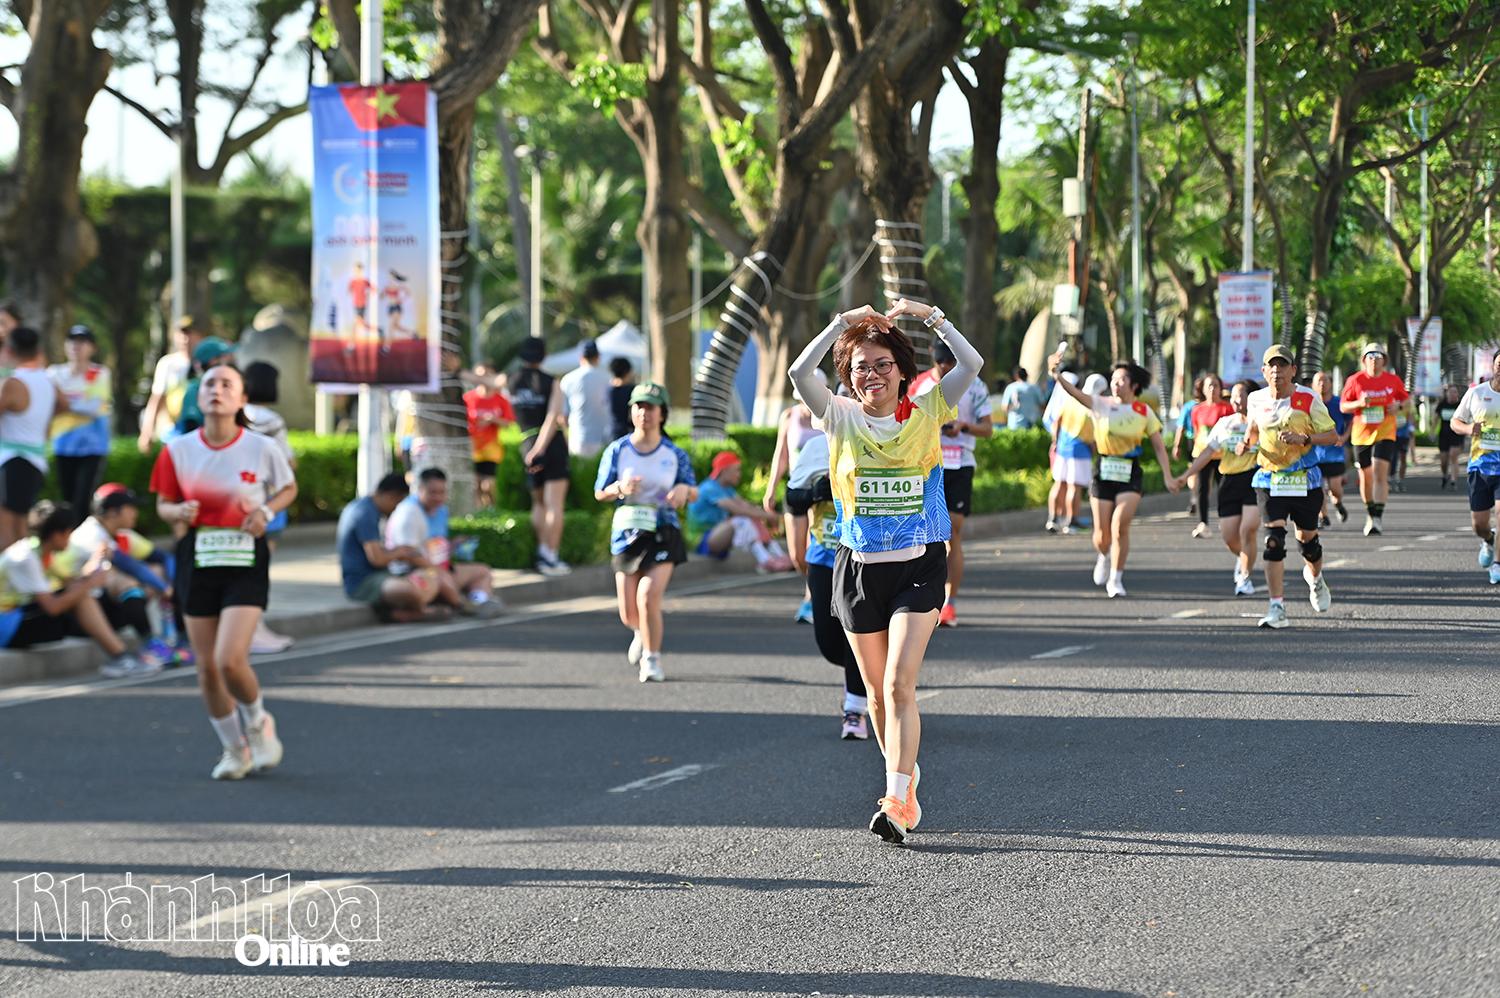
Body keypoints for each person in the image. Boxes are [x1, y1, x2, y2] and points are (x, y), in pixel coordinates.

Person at [790, 297, 982, 845]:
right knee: (876, 695)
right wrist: (841, 325)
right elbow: (798, 372)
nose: (871, 375)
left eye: (882, 365)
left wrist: (934, 318)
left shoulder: (929, 411)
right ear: (849, 380)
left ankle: (896, 799)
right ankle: (905, 773)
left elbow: (972, 365)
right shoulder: (837, 416)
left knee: (900, 683)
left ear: (901, 370)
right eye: (859, 368)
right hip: (856, 570)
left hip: (920, 564)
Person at [150, 361, 298, 779]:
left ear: (242, 398)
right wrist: (177, 509)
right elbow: (163, 504)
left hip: (244, 557)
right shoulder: (178, 450)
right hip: (197, 556)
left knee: (230, 660)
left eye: (227, 384)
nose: (217, 389)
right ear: (199, 396)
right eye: (209, 383)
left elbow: (288, 488)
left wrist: (265, 510)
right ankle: (235, 750)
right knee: (206, 669)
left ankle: (258, 722)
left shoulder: (260, 448)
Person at [1046, 349, 1180, 598]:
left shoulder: (1143, 412)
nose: (1115, 384)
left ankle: (1116, 578)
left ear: (1133, 385)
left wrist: (1167, 476)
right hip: (1104, 471)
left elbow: (1159, 446)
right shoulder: (1100, 404)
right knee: (1101, 535)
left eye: (1121, 380)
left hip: (1130, 472)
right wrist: (1056, 374)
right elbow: (1074, 393)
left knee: (1120, 526)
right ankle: (1103, 555)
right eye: (1114, 379)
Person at [594, 382, 698, 682]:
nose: (644, 413)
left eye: (650, 407)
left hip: (663, 529)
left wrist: (682, 489)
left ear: (662, 413)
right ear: (631, 411)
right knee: (629, 614)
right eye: (639, 406)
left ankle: (652, 659)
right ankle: (641, 631)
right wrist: (619, 488)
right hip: (627, 531)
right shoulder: (618, 450)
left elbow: (694, 491)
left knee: (648, 595)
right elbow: (600, 492)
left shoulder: (674, 454)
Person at [1239, 345, 1337, 629]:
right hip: (1271, 479)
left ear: (1293, 370)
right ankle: (1276, 606)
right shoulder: (1256, 399)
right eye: (1272, 366)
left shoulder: (1308, 398)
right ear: (1263, 371)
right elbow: (1253, 430)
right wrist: (1246, 442)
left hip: (1304, 479)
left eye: (1283, 366)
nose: (1276, 371)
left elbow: (1332, 436)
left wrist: (1304, 439)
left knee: (1308, 543)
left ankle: (1316, 579)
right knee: (1273, 540)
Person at [1, 501, 153, 677]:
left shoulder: (38, 549)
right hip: (6, 627)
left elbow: (71, 582)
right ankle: (121, 657)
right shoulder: (25, 558)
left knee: (82, 595)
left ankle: (122, 654)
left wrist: (94, 565)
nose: (71, 538)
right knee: (81, 598)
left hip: (15, 619)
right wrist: (90, 583)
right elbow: (53, 607)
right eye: (69, 533)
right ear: (58, 535)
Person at [794, 430, 872, 739]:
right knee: (829, 642)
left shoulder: (875, 439)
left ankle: (854, 709)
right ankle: (868, 670)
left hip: (864, 555)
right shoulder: (815, 447)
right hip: (824, 554)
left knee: (855, 630)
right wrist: (816, 492)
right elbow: (793, 498)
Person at [913, 342, 992, 626]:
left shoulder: (974, 384)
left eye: (950, 367)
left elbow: (988, 428)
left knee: (951, 535)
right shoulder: (919, 385)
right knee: (924, 535)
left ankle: (949, 602)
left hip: (959, 465)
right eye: (940, 367)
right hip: (925, 467)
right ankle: (923, 599)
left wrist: (963, 427)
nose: (945, 372)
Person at [1170, 379, 1261, 596]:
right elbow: (1207, 452)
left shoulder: (1263, 423)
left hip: (1254, 479)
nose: (1238, 400)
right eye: (1236, 395)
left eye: (1243, 395)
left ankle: (1245, 577)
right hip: (1229, 481)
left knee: (1247, 530)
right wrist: (1185, 476)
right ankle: (1243, 558)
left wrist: (1252, 445)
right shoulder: (1225, 423)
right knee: (1230, 537)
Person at [385, 467, 502, 617]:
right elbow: (409, 554)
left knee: (482, 571)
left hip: (440, 566)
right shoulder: (408, 513)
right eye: (433, 492)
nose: (438, 497)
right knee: (439, 575)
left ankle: (480, 600)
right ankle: (464, 605)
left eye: (442, 492)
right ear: (420, 489)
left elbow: (435, 543)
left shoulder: (441, 510)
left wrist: (453, 545)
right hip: (412, 572)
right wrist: (437, 569)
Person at [338, 472, 444, 622]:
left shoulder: (364, 507)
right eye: (397, 503)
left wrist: (396, 552)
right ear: (391, 496)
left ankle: (408, 610)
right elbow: (377, 559)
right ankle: (414, 612)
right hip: (363, 581)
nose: (395, 509)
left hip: (380, 575)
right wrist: (400, 553)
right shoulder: (364, 513)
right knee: (413, 590)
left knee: (429, 579)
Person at [242, 361, 296, 654]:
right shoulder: (272, 420)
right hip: (270, 503)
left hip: (239, 501)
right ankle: (254, 628)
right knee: (259, 569)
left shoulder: (235, 417)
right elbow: (287, 463)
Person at [763, 376, 826, 621]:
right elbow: (781, 454)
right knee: (797, 554)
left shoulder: (826, 415)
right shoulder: (789, 416)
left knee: (814, 544)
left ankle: (812, 598)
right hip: (796, 488)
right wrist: (770, 489)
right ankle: (814, 586)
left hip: (820, 489)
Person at [1, 326, 68, 550]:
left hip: (13, 461)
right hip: (35, 460)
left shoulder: (12, 383)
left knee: (7, 527)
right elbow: (64, 404)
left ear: (10, 350)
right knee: (20, 526)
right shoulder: (47, 380)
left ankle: (9, 582)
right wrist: (45, 423)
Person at [514, 338, 572, 576]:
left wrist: (457, 369)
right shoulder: (552, 382)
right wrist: (540, 448)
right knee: (554, 503)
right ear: (543, 355)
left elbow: (482, 379)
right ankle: (551, 555)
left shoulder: (511, 380)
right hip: (551, 445)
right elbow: (552, 417)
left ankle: (542, 552)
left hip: (526, 443)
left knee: (538, 502)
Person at [48, 325, 113, 528]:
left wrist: (66, 402)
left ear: (92, 347)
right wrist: (78, 403)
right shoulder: (54, 373)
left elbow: (95, 408)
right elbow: (50, 405)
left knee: (83, 499)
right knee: (68, 498)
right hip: (63, 444)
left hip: (93, 446)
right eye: (72, 341)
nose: (77, 346)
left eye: (82, 341)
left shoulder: (99, 373)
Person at [1340, 343, 1408, 536]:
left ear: (1384, 360)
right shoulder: (1355, 380)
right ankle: (1371, 513)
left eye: (1378, 356)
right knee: (1365, 476)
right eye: (1370, 356)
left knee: (1380, 472)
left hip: (1385, 431)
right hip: (1361, 434)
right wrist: (1359, 403)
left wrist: (1399, 407)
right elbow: (1344, 406)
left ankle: (1377, 517)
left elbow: (1406, 400)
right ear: (1364, 360)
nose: (1374, 359)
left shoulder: (1392, 380)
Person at [689, 451, 793, 571]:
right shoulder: (709, 488)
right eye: (737, 470)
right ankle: (766, 561)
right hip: (702, 542)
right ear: (724, 471)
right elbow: (739, 510)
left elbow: (746, 506)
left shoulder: (727, 489)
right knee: (742, 520)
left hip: (718, 537)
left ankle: (779, 556)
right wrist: (774, 517)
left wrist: (767, 515)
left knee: (751, 517)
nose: (739, 474)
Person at [1447, 358, 1500, 583]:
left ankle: (1497, 563)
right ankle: (1488, 539)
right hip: (1480, 466)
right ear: (1494, 367)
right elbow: (1455, 422)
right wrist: (1469, 428)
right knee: (1479, 524)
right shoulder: (1477, 393)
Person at [1043, 372, 1106, 533]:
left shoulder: (1071, 400)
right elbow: (1092, 438)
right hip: (1080, 451)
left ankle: (1053, 519)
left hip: (1063, 447)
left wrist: (1055, 442)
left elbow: (1057, 422)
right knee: (1074, 487)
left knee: (1059, 483)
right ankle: (1071, 522)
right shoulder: (1091, 406)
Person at [137, 316, 206, 452]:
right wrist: (147, 430)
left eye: (190, 333)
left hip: (201, 430)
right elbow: (157, 397)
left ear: (200, 336)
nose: (185, 338)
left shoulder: (208, 363)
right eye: (181, 333)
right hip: (173, 431)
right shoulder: (168, 364)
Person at [1187, 373, 1233, 539]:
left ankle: (1225, 518)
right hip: (1203, 454)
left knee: (1223, 488)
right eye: (1209, 385)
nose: (1212, 388)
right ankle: (1203, 523)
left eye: (1215, 385)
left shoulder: (1227, 408)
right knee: (1202, 489)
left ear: (1221, 388)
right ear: (1203, 389)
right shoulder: (1197, 410)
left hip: (1222, 455)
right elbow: (1197, 432)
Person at [463, 366, 514, 510]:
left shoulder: (501, 400)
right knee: (475, 484)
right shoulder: (468, 398)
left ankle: (491, 509)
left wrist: (493, 419)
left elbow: (508, 423)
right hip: (473, 446)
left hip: (491, 447)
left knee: (488, 484)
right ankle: (478, 513)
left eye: (486, 375)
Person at [171, 337, 237, 437]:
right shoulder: (195, 389)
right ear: (213, 361)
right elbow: (191, 426)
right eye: (223, 356)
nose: (229, 359)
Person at [1311, 370, 1353, 526]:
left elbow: (1351, 420)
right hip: (1316, 454)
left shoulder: (1339, 403)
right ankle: (1324, 517)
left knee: (1335, 489)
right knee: (1318, 489)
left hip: (1335, 454)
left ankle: (1338, 503)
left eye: (1325, 380)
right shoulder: (1311, 404)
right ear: (1313, 385)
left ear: (1330, 383)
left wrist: (1345, 437)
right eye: (1319, 381)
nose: (1322, 384)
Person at [559, 339, 613, 459]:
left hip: (579, 439)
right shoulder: (609, 378)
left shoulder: (568, 379)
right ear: (598, 357)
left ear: (581, 357)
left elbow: (563, 417)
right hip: (605, 439)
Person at [1173, 383, 1201, 516]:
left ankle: (1194, 498)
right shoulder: (1206, 406)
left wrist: (1176, 446)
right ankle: (1198, 498)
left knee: (1193, 470)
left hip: (1193, 441)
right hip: (1206, 442)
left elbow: (1180, 427)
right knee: (1206, 473)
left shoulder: (1188, 406)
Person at [1437, 383, 1465, 492]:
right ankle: (1445, 475)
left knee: (1454, 456)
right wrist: (1432, 431)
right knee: (1444, 460)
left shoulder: (1460, 405)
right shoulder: (1442, 404)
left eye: (1455, 392)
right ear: (1447, 393)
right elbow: (1436, 418)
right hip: (1444, 435)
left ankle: (1453, 480)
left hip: (1456, 434)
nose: (1453, 394)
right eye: (1451, 392)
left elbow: (1466, 419)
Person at [608, 357, 636, 440]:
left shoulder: (609, 390)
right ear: (628, 372)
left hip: (614, 431)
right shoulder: (633, 390)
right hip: (630, 431)